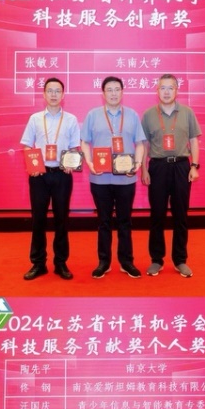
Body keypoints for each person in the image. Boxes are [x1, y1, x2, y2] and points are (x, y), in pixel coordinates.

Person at [82, 76, 147, 278]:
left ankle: (126, 262)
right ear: (103, 93)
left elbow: (140, 143)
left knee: (125, 221)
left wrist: (137, 164)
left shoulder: (132, 115)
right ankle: (104, 262)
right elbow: (84, 142)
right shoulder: (93, 115)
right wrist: (89, 163)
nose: (113, 93)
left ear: (122, 92)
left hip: (126, 179)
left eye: (117, 89)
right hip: (100, 179)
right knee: (104, 221)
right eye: (109, 90)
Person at [20, 75, 81, 280]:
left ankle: (60, 263)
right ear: (44, 94)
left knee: (61, 219)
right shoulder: (35, 118)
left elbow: (74, 147)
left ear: (63, 95)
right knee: (38, 219)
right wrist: (33, 165)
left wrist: (71, 162)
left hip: (62, 175)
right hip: (40, 175)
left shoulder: (71, 119)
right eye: (50, 91)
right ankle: (38, 264)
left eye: (57, 91)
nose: (54, 94)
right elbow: (27, 145)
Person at [141, 74, 201, 278]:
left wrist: (194, 166)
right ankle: (156, 260)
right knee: (157, 215)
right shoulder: (149, 114)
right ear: (157, 91)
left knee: (180, 215)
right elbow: (144, 144)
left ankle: (180, 260)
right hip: (157, 167)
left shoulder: (187, 112)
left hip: (181, 166)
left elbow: (194, 140)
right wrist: (144, 169)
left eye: (170, 88)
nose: (166, 92)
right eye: (162, 88)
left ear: (177, 90)